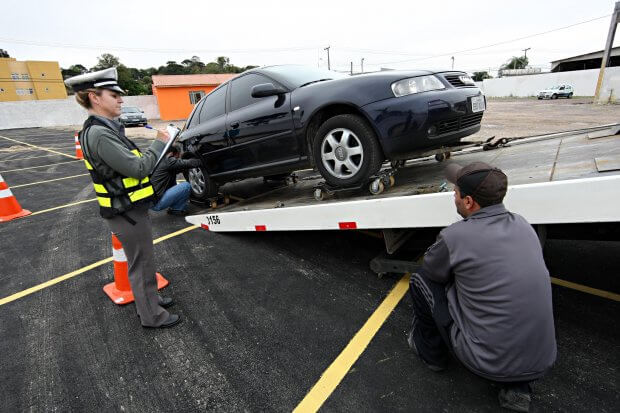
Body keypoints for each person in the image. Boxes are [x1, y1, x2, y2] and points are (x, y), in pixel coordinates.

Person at [407, 161, 556, 412]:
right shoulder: (523, 225)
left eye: (454, 192)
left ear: (468, 202)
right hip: (541, 361)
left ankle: (431, 354)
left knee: (420, 280)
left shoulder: (456, 236)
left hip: (486, 361)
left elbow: (434, 270)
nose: (452, 196)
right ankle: (517, 388)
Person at [65, 67, 180, 328]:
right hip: (125, 212)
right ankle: (152, 316)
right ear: (95, 97)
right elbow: (138, 168)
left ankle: (150, 301)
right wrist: (161, 142)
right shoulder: (99, 133)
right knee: (141, 264)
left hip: (129, 209)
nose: (120, 99)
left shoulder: (106, 128)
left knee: (144, 260)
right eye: (113, 94)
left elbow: (131, 166)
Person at [150, 145, 201, 216]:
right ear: (171, 153)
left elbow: (178, 168)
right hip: (158, 202)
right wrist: (202, 160)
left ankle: (174, 207)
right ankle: (177, 209)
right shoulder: (167, 160)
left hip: (151, 201)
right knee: (186, 186)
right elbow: (186, 163)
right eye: (177, 155)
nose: (178, 158)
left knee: (177, 186)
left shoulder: (158, 160)